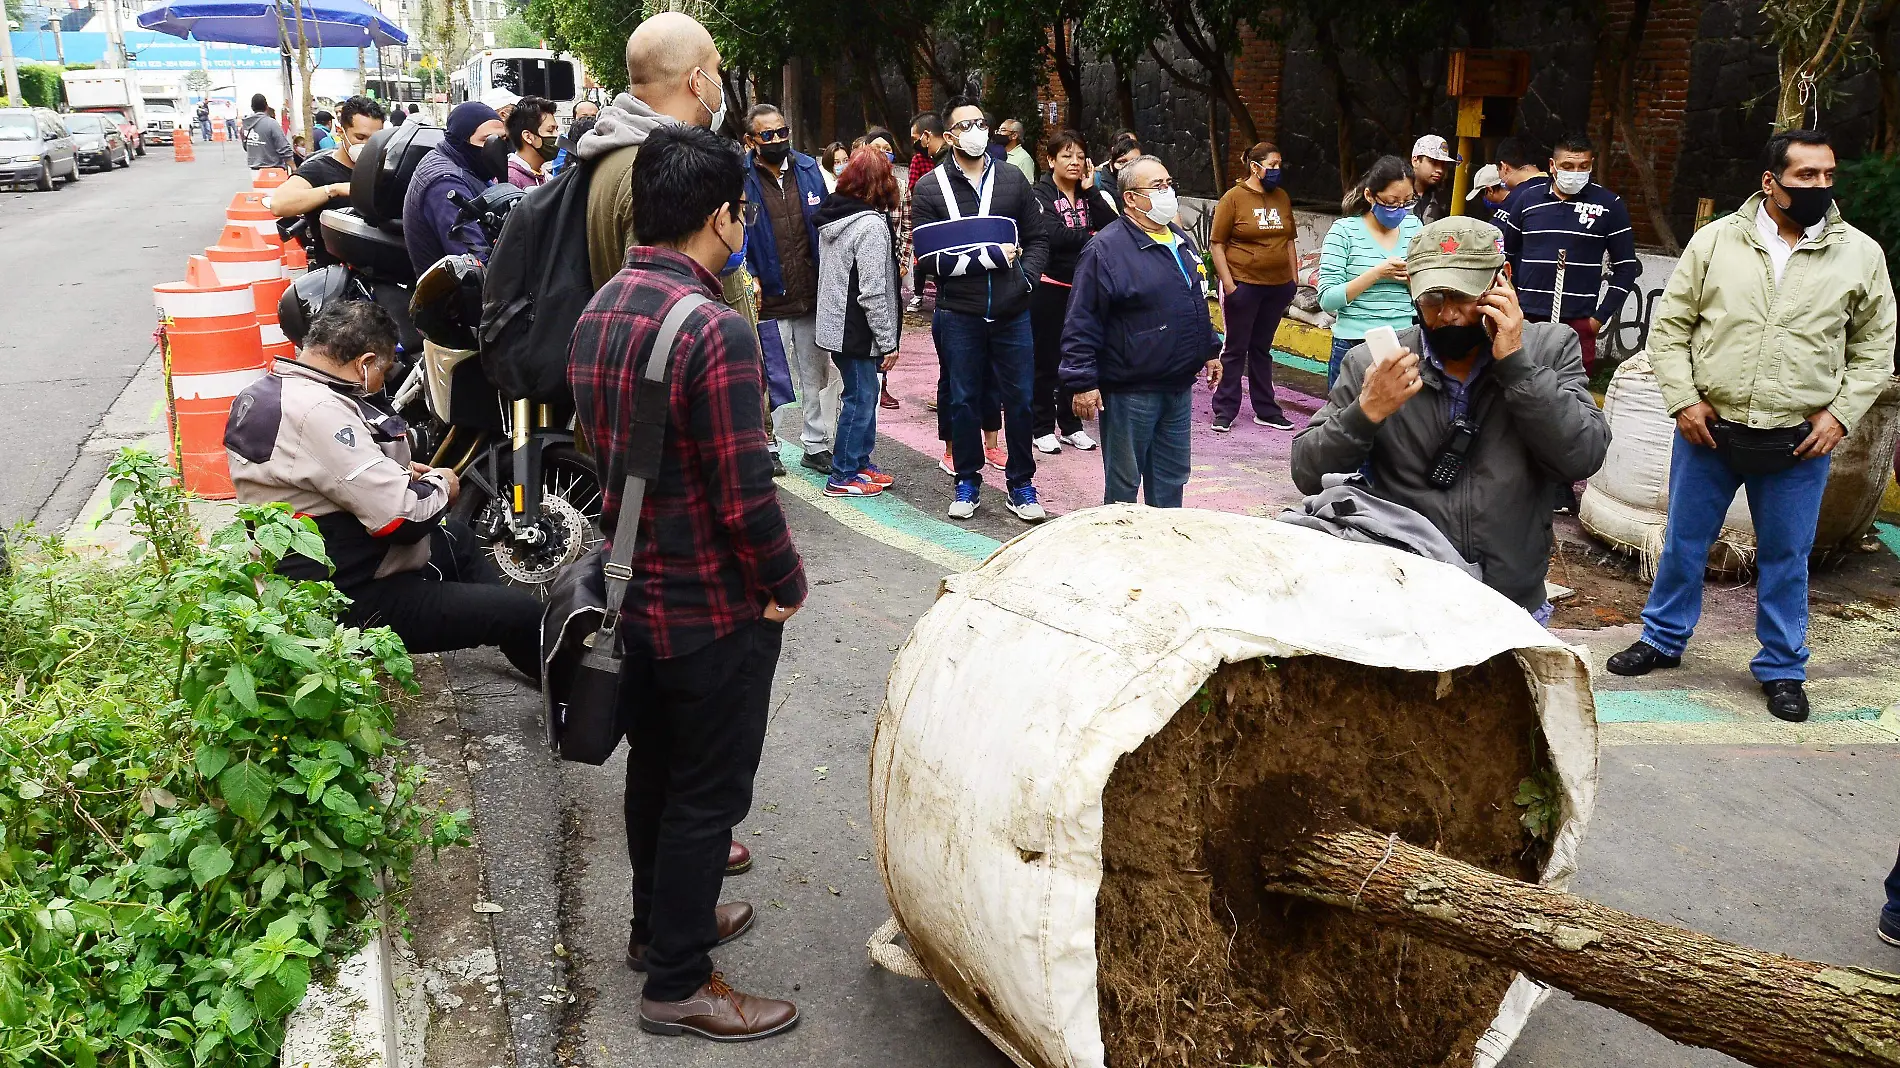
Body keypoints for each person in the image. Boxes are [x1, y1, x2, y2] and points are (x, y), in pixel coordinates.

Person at [566, 121, 805, 1043]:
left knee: (657, 775)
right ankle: (678, 982)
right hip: (711, 605)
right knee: (708, 791)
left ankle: (658, 927)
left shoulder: (603, 306)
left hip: (635, 598)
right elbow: (744, 494)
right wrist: (784, 585)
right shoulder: (716, 328)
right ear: (723, 217)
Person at [1605, 129, 1896, 723]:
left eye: (1827, 176)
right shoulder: (1716, 242)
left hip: (1799, 442)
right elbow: (1672, 327)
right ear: (1771, 182)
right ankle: (1662, 639)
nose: (1820, 187)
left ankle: (1783, 668)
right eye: (1805, 176)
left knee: (1788, 557)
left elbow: (1875, 348)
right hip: (1709, 434)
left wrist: (1840, 416)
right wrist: (1683, 400)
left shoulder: (1859, 255)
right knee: (1684, 543)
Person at [1292, 217, 1610, 617]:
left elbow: (1582, 456)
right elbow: (1307, 472)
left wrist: (1517, 367)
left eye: (1463, 296)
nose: (1448, 315)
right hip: (1404, 597)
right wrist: (1364, 413)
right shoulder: (1373, 365)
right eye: (1431, 299)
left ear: (1501, 280)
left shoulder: (1550, 349)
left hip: (1509, 603)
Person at [223, 301, 542, 679]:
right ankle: (570, 695)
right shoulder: (319, 411)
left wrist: (394, 470)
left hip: (308, 568)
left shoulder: (265, 391)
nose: (382, 381)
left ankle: (516, 636)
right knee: (524, 614)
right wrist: (443, 482)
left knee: (456, 539)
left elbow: (315, 474)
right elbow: (400, 518)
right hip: (347, 598)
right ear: (365, 362)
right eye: (383, 371)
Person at [909, 95, 1052, 523]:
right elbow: (927, 257)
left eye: (980, 123)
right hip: (959, 312)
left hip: (1012, 311)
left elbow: (1038, 237)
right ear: (949, 135)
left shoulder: (1012, 179)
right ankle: (967, 480)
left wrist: (1025, 279)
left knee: (1022, 400)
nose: (975, 131)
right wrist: (990, 257)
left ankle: (1021, 483)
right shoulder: (929, 186)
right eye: (965, 125)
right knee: (965, 399)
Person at [1061, 156, 1222, 508]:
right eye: (1158, 186)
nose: (1169, 192)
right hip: (1129, 390)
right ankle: (1119, 552)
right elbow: (1081, 320)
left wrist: (1210, 349)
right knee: (1123, 488)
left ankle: (1164, 553)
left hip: (1177, 386)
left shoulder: (1179, 238)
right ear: (1130, 198)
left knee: (1171, 480)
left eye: (1169, 183)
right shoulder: (1105, 249)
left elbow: (1194, 297)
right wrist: (1082, 382)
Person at [741, 103, 836, 475]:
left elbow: (827, 225)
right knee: (770, 377)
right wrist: (749, 274)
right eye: (769, 135)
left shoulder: (810, 169)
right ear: (751, 140)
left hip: (811, 294)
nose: (778, 140)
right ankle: (769, 445)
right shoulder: (741, 177)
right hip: (768, 298)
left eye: (782, 132)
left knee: (816, 375)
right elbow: (737, 232)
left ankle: (816, 445)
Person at [1499, 133, 1639, 378]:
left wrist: (1596, 320)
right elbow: (1506, 257)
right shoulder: (1526, 200)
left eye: (1583, 166)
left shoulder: (1609, 205)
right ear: (1552, 166)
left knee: (1569, 400)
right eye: (1567, 166)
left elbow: (1626, 267)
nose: (1575, 172)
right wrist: (1513, 308)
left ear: (1592, 165)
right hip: (1526, 321)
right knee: (1515, 390)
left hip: (1577, 326)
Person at [815, 146, 903, 496]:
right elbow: (873, 292)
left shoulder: (835, 216)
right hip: (858, 331)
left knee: (862, 395)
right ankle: (843, 473)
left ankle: (860, 463)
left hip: (838, 325)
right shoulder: (870, 225)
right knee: (861, 398)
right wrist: (888, 340)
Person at [1028, 129, 1114, 454]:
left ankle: (1071, 424)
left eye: (1080, 156)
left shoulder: (1089, 193)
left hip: (1084, 288)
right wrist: (1092, 235)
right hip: (1049, 288)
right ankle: (1041, 426)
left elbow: (1111, 227)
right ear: (1050, 160)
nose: (1075, 162)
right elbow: (1053, 235)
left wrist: (1092, 194)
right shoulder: (1040, 193)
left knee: (1076, 357)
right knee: (1046, 360)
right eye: (1066, 155)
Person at [1209, 141, 1299, 433]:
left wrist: (1293, 279)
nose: (1276, 171)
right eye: (1271, 165)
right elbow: (1217, 244)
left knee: (1262, 349)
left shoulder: (1282, 197)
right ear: (1255, 167)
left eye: (1279, 165)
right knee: (1235, 349)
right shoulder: (1233, 198)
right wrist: (1229, 284)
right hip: (1244, 285)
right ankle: (1224, 410)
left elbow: (1288, 240)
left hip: (1277, 287)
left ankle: (1267, 410)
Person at [1317, 155, 1424, 389]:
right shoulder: (1343, 232)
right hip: (1353, 344)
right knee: (1345, 421)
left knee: (1398, 423)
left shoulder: (1414, 227)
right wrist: (1377, 273)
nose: (1400, 210)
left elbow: (1422, 293)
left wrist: (1411, 279)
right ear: (1369, 195)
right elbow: (1327, 299)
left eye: (1407, 202)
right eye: (1391, 202)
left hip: (1402, 342)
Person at [269, 95, 387, 269]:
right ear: (341, 132)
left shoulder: (385, 169)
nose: (367, 145)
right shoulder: (318, 169)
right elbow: (279, 204)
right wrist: (333, 190)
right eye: (360, 138)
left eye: (374, 139)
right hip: (335, 279)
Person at [402, 101, 509, 276]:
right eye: (487, 140)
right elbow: (475, 263)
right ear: (461, 140)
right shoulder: (446, 184)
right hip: (454, 297)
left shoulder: (461, 163)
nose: (497, 147)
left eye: (502, 139)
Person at [504, 95, 559, 188]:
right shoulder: (510, 180)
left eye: (556, 130)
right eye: (550, 131)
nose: (557, 135)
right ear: (528, 137)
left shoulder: (544, 176)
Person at [1409, 134, 1459, 223]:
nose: (1440, 170)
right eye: (1433, 163)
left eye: (1443, 165)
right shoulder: (1396, 194)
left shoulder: (1446, 200)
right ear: (1415, 161)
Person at [242, 93, 293, 170]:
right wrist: (293, 166)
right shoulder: (271, 123)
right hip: (272, 170)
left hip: (254, 170)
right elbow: (283, 147)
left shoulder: (245, 125)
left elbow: (246, 147)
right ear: (266, 107)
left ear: (252, 107)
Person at [1095, 131, 1142, 203]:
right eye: (1122, 162)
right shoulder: (1098, 182)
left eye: (1134, 162)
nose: (1128, 166)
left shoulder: (1148, 187)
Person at [1000, 118, 1035, 184]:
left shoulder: (1024, 159)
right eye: (999, 130)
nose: (999, 133)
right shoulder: (999, 154)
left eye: (1003, 130)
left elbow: (1028, 188)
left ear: (1014, 135)